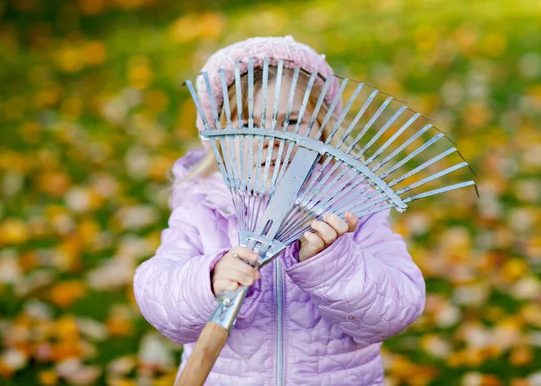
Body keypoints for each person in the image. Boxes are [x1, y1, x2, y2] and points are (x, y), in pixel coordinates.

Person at [133, 35, 426, 386]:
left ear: (321, 130)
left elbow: (395, 311)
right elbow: (160, 302)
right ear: (216, 137)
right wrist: (207, 280)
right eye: (247, 124)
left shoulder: (350, 209)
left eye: (289, 123)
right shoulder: (204, 207)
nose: (271, 137)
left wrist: (334, 263)